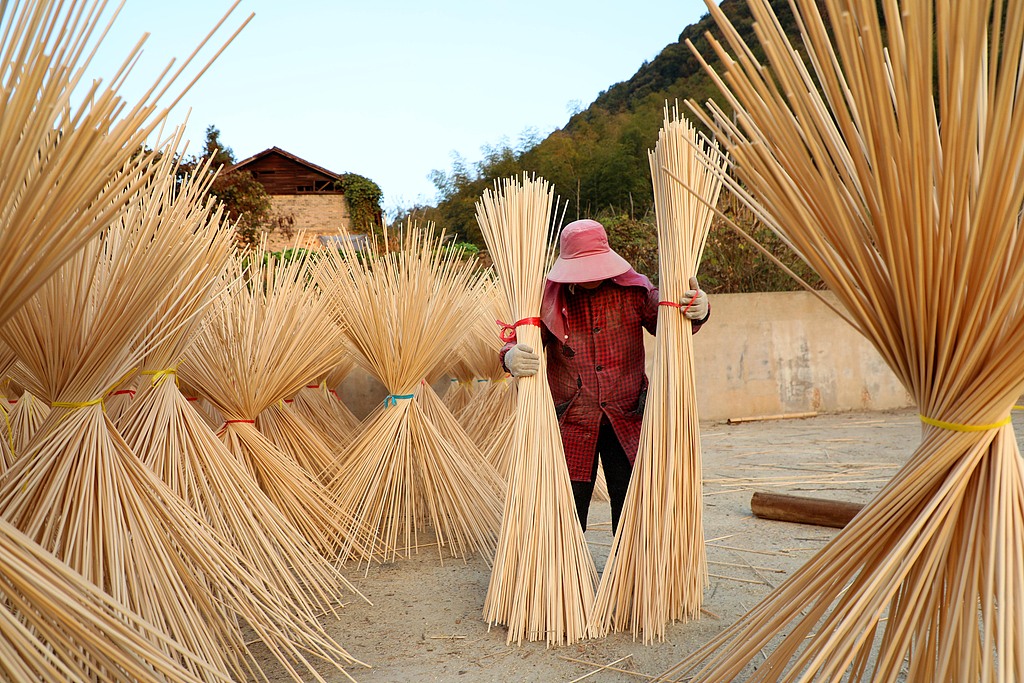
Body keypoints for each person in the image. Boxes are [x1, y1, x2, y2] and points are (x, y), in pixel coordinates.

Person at [500, 218, 709, 534]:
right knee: (566, 511)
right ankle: (567, 579)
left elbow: (675, 321)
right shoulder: (547, 300)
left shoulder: (635, 291)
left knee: (632, 510)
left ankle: (628, 580)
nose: (588, 277)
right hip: (572, 421)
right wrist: (511, 356)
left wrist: (699, 309)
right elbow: (517, 339)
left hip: (627, 416)